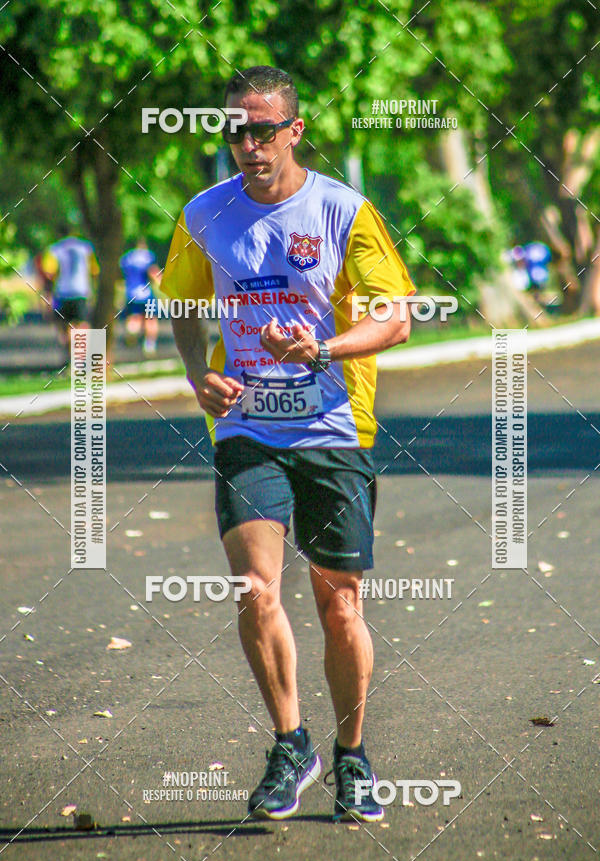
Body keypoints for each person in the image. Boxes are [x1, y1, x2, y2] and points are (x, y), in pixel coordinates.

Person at [162, 66, 415, 823]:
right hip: (246, 429)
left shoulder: (342, 211)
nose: (246, 144)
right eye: (234, 131)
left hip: (334, 428)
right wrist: (194, 374)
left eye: (261, 130)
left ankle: (353, 756)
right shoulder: (204, 213)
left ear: (294, 131)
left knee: (340, 607)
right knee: (256, 588)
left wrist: (325, 349)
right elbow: (180, 302)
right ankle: (289, 742)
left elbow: (395, 318)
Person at [43, 228, 99, 365]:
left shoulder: (55, 249)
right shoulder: (86, 248)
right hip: (81, 291)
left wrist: (47, 295)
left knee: (64, 326)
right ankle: (79, 359)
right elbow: (95, 270)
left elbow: (48, 273)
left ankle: (70, 356)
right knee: (81, 324)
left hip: (62, 293)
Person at [119, 238, 161, 355]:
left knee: (134, 317)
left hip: (131, 293)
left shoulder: (126, 258)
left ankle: (131, 332)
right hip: (146, 294)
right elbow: (153, 273)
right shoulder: (148, 256)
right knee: (150, 319)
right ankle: (149, 345)